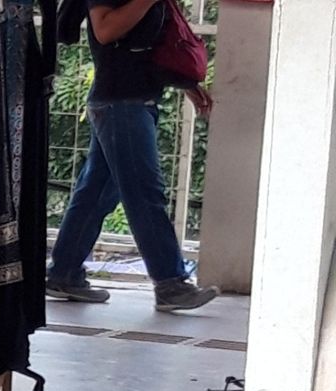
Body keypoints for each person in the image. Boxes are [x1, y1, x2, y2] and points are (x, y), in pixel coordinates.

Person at [47, 0, 219, 311]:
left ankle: (64, 272)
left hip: (128, 101)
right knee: (144, 192)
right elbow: (105, 30)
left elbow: (142, 49)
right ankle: (170, 283)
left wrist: (185, 83)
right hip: (121, 103)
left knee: (96, 194)